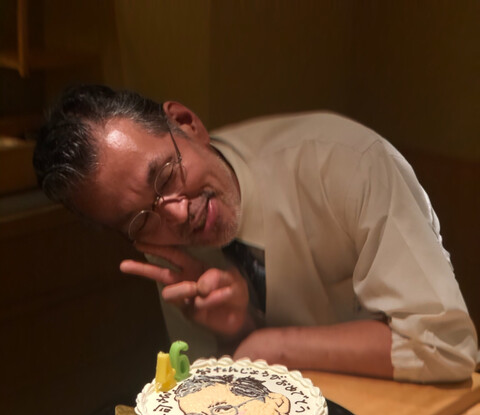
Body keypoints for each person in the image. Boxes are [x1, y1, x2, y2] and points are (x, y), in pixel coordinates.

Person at [33, 84, 478, 383]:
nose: (178, 212)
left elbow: (448, 347)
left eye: (166, 175)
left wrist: (274, 346)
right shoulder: (160, 239)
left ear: (187, 123)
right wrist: (236, 330)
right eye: (140, 220)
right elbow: (210, 395)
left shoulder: (346, 162)